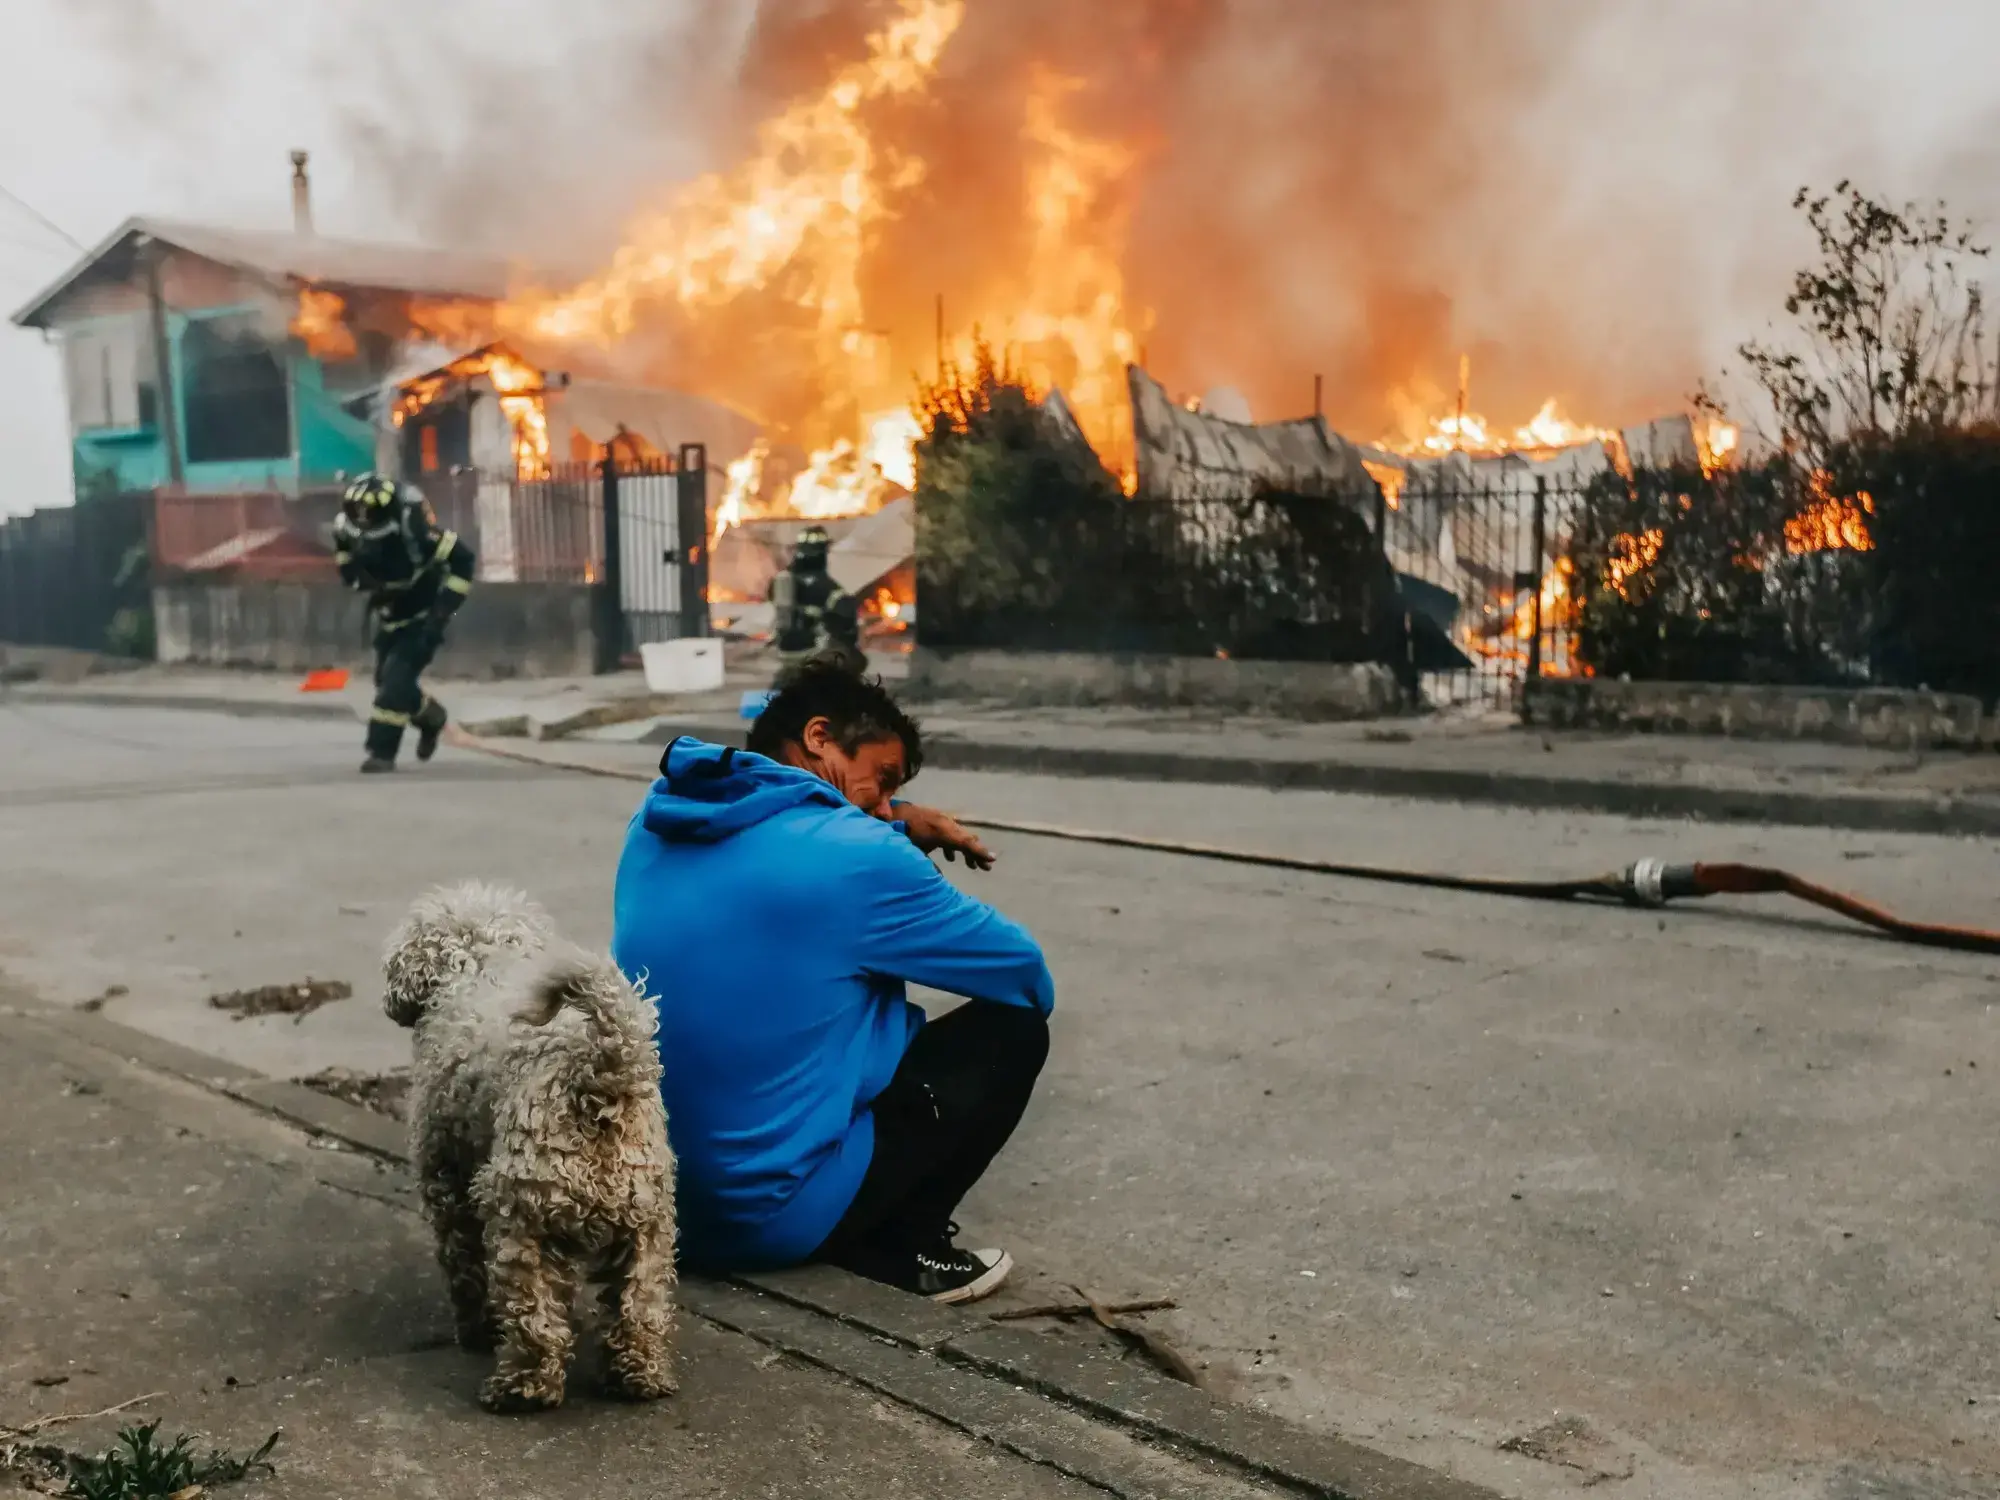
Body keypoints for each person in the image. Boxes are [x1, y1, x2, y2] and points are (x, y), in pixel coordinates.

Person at [613, 657, 1051, 1303]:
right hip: (762, 1224)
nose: (880, 806)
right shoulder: (860, 856)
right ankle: (906, 1247)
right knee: (1012, 1034)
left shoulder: (656, 822)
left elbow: (782, 861)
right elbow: (1025, 977)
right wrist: (894, 843)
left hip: (651, 1205)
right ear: (820, 737)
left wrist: (893, 817)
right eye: (882, 780)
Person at [332, 473, 477, 775]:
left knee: (394, 684)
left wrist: (441, 614)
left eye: (370, 514)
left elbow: (463, 560)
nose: (363, 520)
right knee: (388, 683)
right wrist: (352, 575)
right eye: (358, 514)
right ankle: (432, 717)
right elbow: (343, 550)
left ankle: (381, 753)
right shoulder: (347, 528)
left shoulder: (417, 533)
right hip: (390, 617)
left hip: (423, 618)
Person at [769, 524, 863, 674]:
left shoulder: (782, 581)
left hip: (784, 651)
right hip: (814, 653)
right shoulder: (831, 590)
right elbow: (847, 626)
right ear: (824, 553)